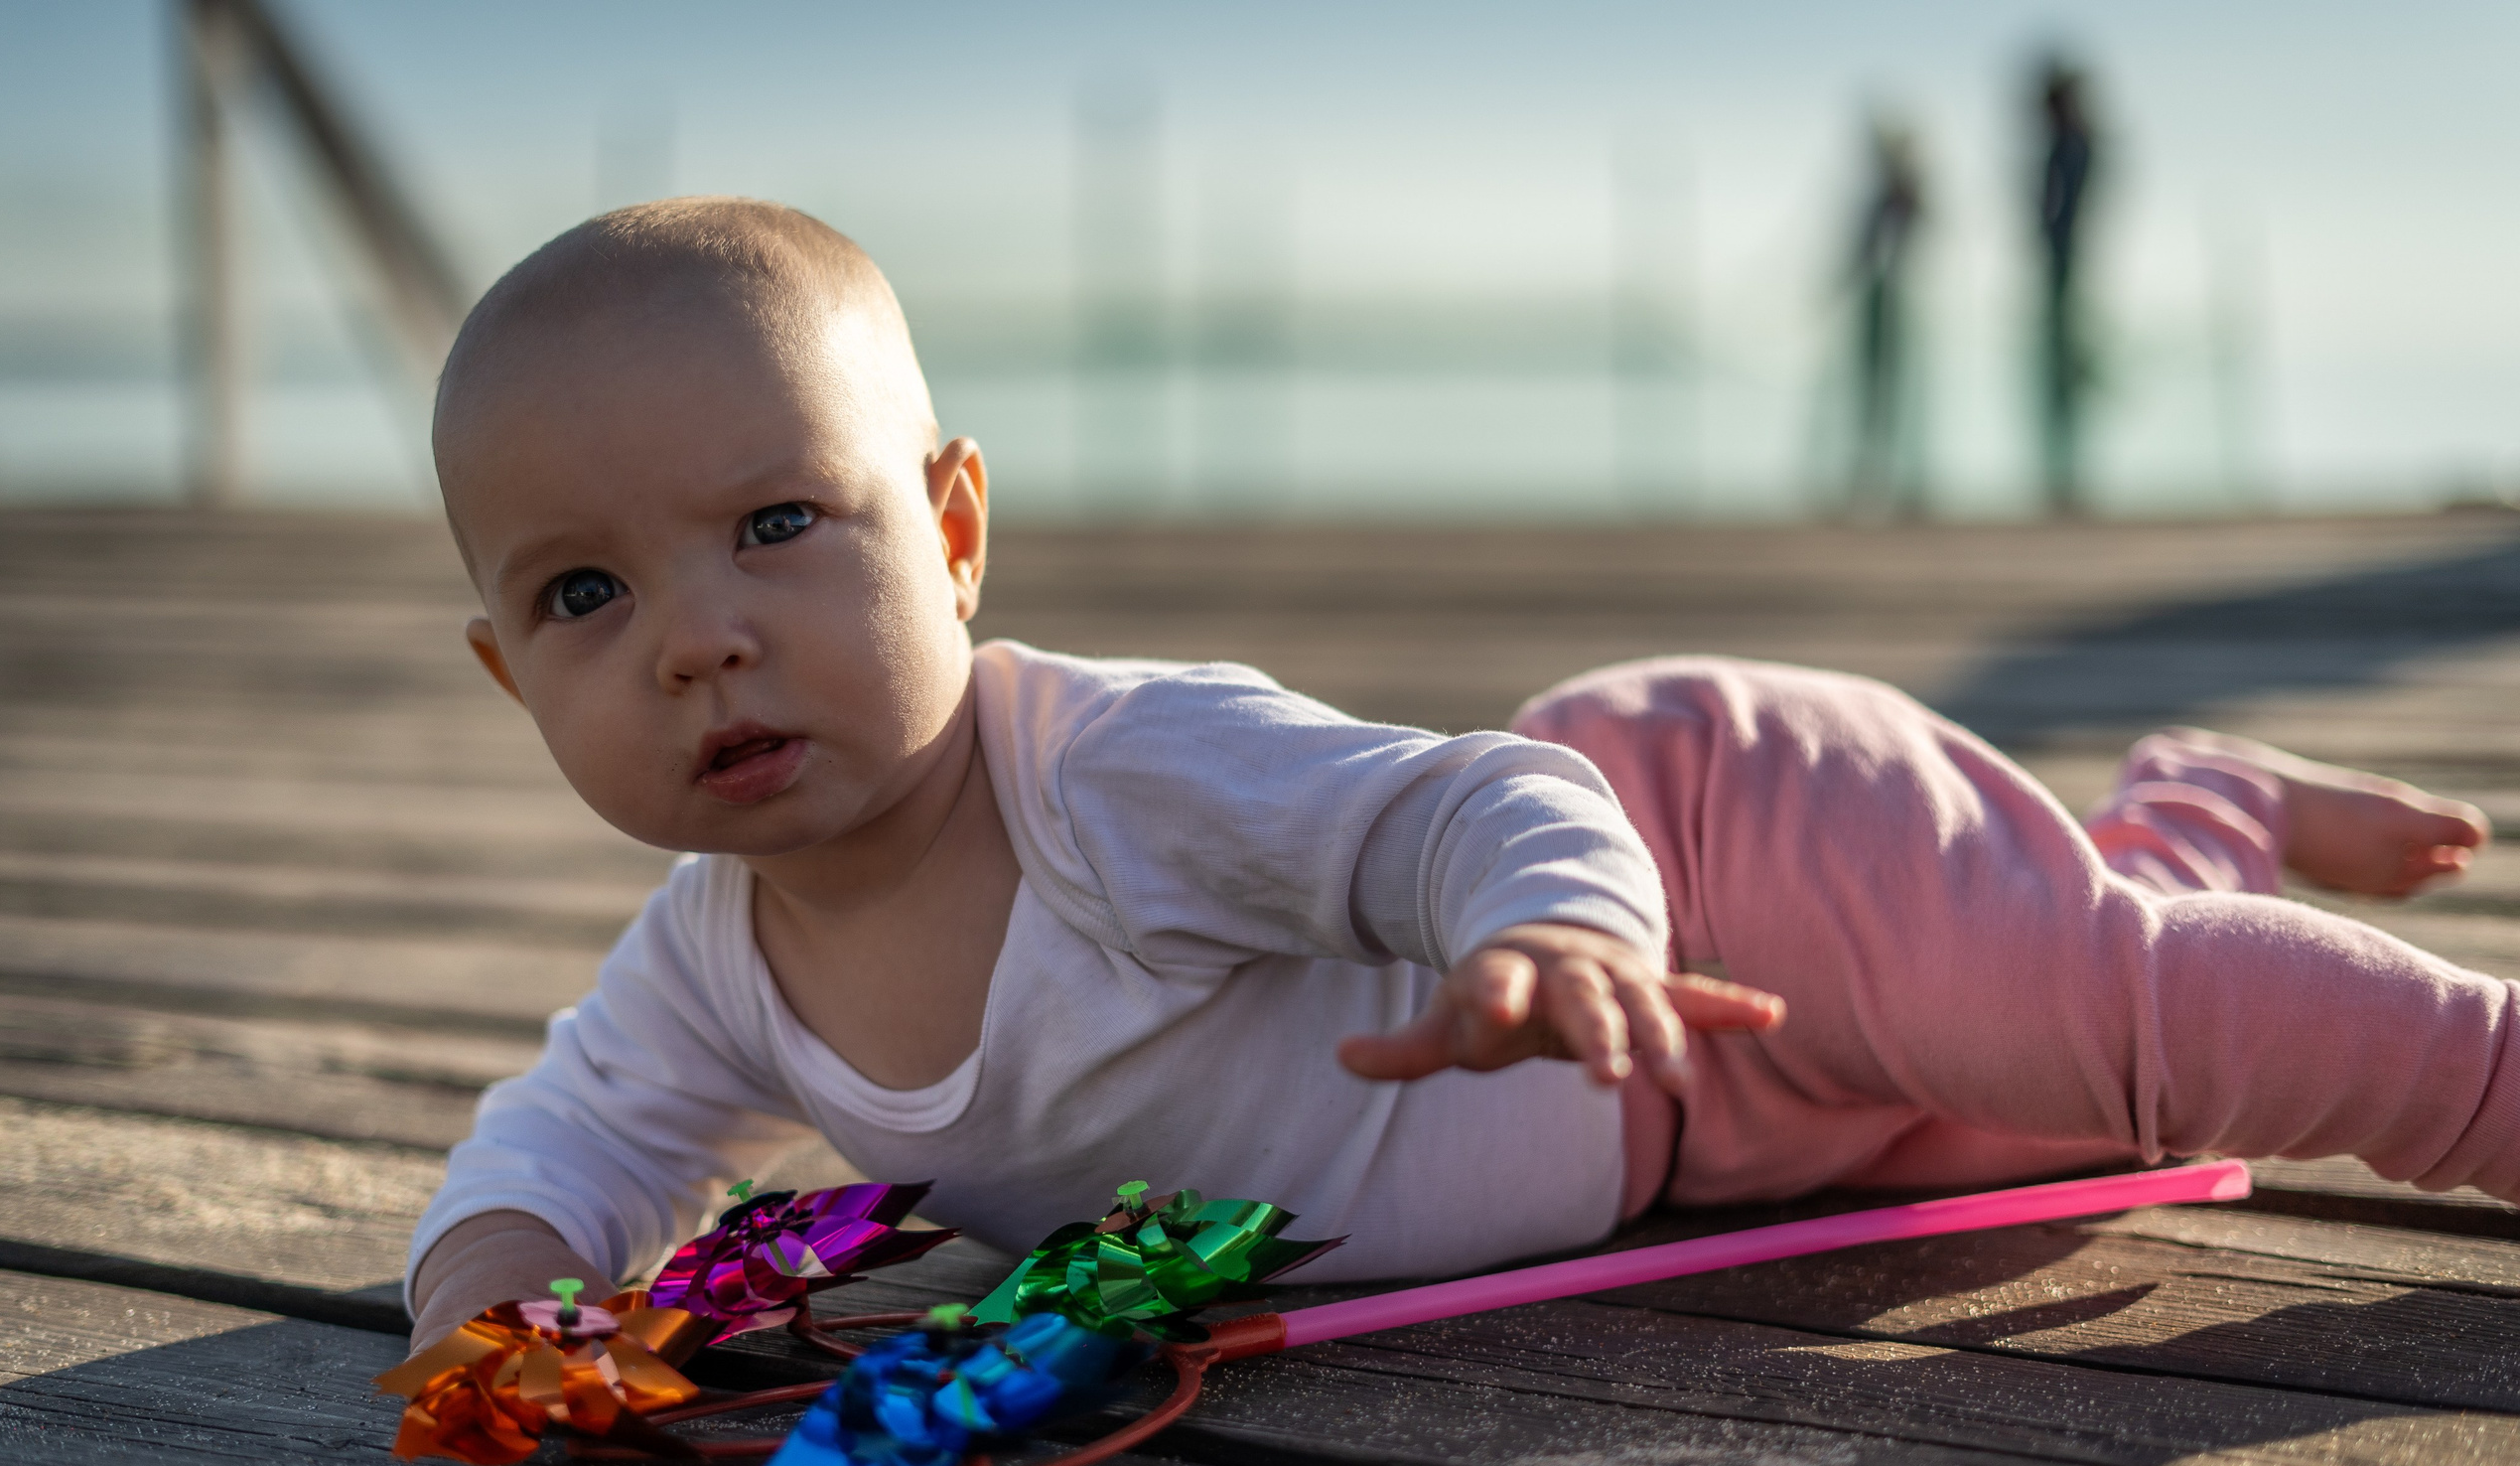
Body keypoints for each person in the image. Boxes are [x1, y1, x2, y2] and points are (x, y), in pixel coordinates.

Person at [405, 199, 2501, 1348]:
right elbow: (570, 1137)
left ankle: (2480, 1083)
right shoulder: (710, 958)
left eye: (778, 524)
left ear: (950, 532)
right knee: (2003, 1101)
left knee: (2098, 1024)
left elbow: (1463, 807)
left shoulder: (1111, 777)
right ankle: (2197, 806)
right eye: (588, 591)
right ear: (511, 676)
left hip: (1708, 857)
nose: (697, 633)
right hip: (1673, 1129)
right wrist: (489, 1295)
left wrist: (1553, 926)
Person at [1845, 117, 1925, 514]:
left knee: (1890, 395)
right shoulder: (1891, 195)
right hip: (1882, 305)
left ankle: (1892, 480)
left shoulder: (1902, 194)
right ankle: (1877, 479)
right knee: (1878, 396)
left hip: (1894, 307)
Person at [2035, 58, 2099, 513]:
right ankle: (2063, 476)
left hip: (2067, 269)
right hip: (2065, 268)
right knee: (2061, 375)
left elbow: (2056, 212)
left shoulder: (2072, 146)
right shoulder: (2074, 145)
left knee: (2066, 374)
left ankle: (2068, 478)